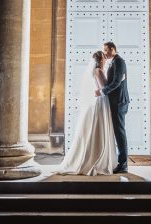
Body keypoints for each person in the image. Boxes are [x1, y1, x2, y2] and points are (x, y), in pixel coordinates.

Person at [54, 50, 117, 175]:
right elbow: (104, 87)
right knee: (98, 129)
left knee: (98, 129)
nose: (105, 59)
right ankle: (95, 159)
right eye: (104, 57)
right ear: (100, 60)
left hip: (101, 101)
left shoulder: (98, 70)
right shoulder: (98, 71)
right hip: (101, 101)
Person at [98, 41, 129, 174]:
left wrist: (102, 91)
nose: (105, 53)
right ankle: (121, 162)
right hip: (115, 101)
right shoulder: (113, 62)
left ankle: (123, 165)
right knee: (118, 132)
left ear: (113, 49)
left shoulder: (119, 61)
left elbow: (116, 82)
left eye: (106, 50)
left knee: (120, 132)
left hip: (119, 102)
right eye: (104, 51)